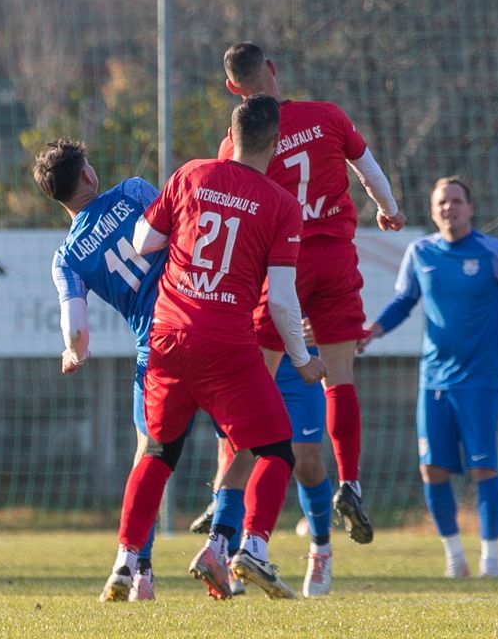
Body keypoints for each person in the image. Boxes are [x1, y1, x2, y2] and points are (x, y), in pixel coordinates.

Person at [102, 93, 328, 601]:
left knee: (158, 452)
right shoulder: (280, 205)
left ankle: (125, 562)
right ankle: (253, 549)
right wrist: (303, 360)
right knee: (275, 448)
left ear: (232, 132)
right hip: (226, 342)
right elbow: (284, 304)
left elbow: (143, 242)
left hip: (168, 336)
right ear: (275, 143)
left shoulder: (191, 174)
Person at [219, 41, 407, 546]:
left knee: (252, 391)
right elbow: (368, 171)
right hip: (336, 259)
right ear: (274, 70)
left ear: (234, 89)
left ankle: (225, 523)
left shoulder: (236, 144)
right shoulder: (326, 116)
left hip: (283, 268)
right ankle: (352, 482)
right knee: (340, 379)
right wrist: (388, 209)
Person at [358, 177, 498, 578]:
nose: (449, 208)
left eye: (456, 201)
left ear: (470, 208)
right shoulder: (420, 252)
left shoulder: (495, 253)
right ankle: (454, 557)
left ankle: (490, 559)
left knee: (483, 469)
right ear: (432, 209)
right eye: (442, 202)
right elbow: (403, 301)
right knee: (432, 470)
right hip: (433, 381)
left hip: (479, 382)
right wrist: (372, 331)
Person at [33, 138, 169, 602]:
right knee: (239, 438)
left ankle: (139, 568)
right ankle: (231, 544)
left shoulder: (67, 257)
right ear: (89, 176)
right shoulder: (133, 191)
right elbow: (183, 230)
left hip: (155, 347)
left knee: (147, 455)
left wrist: (74, 354)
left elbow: (76, 332)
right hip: (202, 322)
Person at [190, 327, 339, 597]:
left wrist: (328, 327)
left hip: (297, 366)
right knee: (238, 455)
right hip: (250, 358)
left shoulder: (299, 283)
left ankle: (321, 550)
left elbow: (334, 301)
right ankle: (229, 558)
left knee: (307, 462)